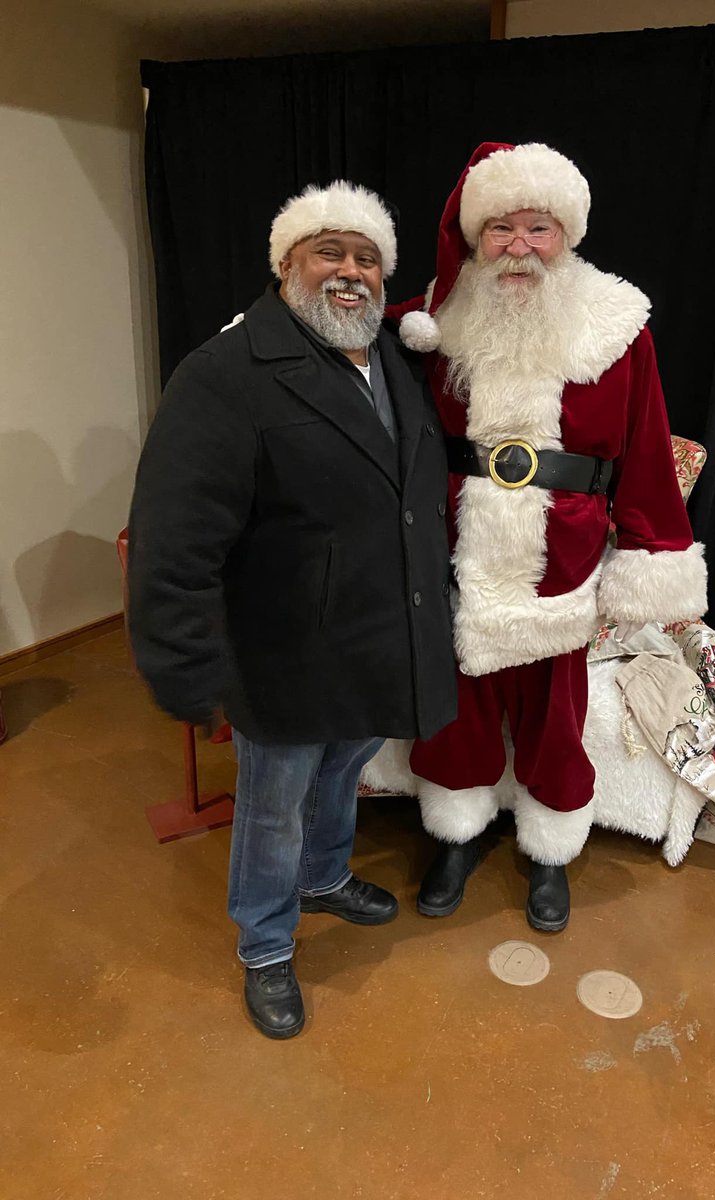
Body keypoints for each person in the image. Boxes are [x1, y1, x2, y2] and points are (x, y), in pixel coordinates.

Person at [127, 182, 457, 1038]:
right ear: (285, 266)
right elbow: (176, 537)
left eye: (367, 258)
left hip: (376, 633)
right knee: (273, 802)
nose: (350, 273)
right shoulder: (223, 376)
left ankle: (322, 876)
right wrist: (184, 663)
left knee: (346, 766)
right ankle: (268, 944)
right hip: (284, 646)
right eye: (329, 253)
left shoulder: (389, 357)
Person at [387, 142, 707, 932]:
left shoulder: (615, 326)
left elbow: (645, 448)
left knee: (554, 720)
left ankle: (551, 851)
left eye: (539, 227)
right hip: (458, 546)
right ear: (474, 236)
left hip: (562, 558)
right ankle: (456, 837)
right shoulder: (436, 316)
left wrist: (651, 554)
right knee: (456, 709)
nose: (520, 246)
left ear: (568, 234)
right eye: (500, 228)